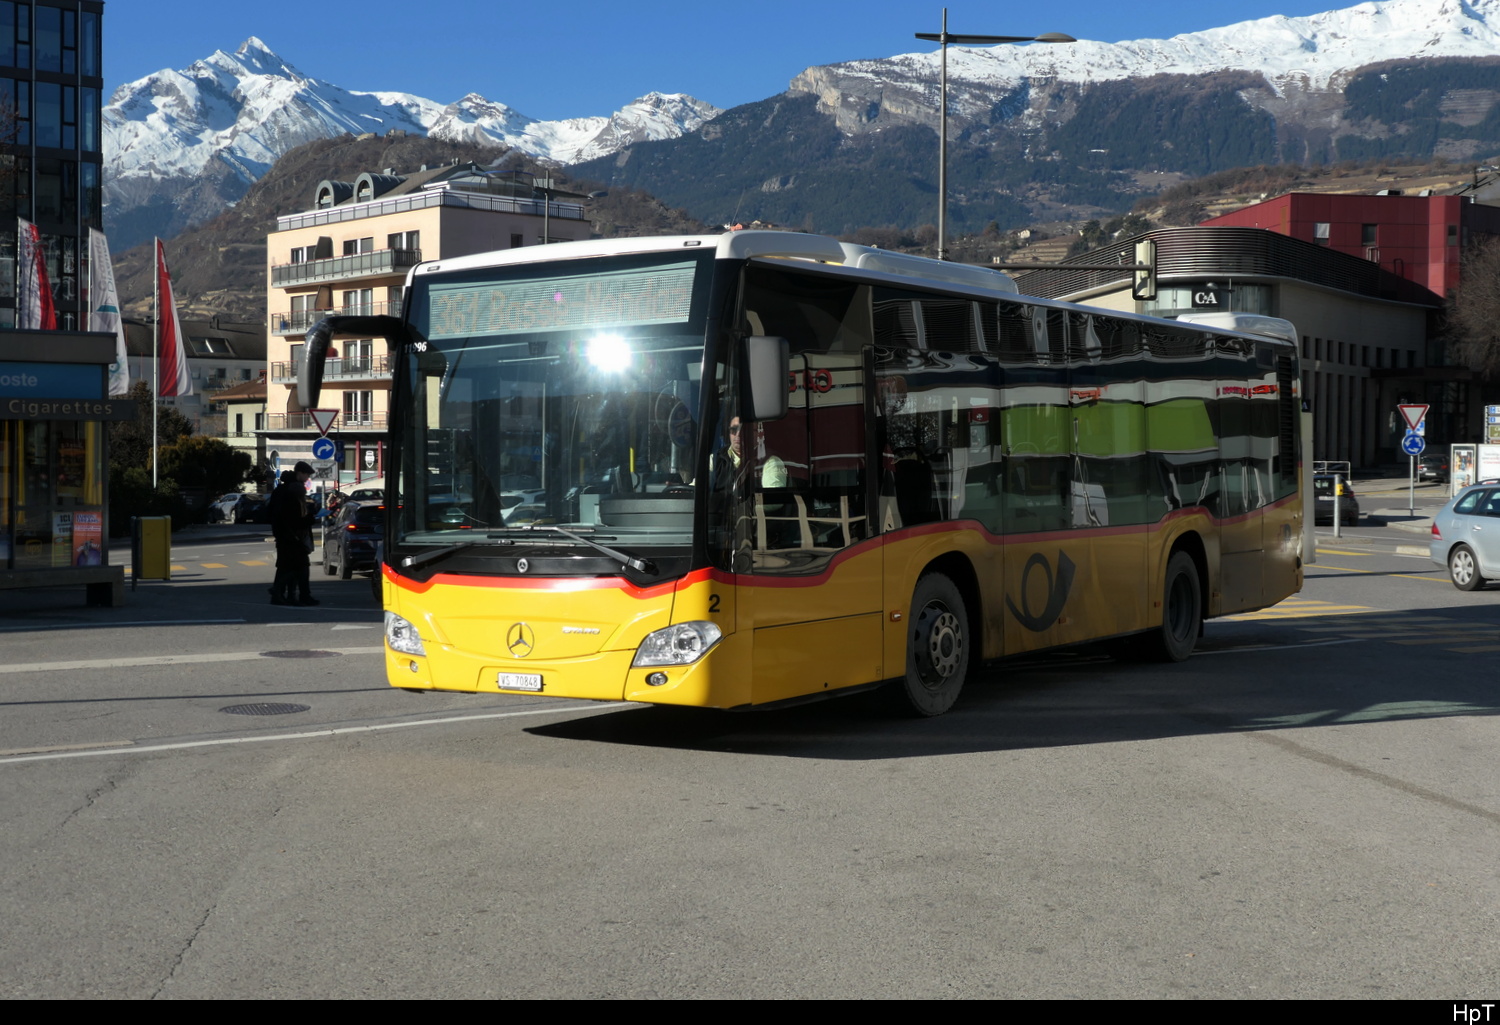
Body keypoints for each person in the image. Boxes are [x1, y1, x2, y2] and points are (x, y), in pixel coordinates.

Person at [267, 461, 319, 606]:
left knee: (286, 566)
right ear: (300, 473)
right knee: (300, 567)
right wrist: (309, 518)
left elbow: (272, 513)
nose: (308, 478)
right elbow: (293, 518)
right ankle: (282, 592)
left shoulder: (281, 489)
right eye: (307, 474)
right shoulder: (293, 491)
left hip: (283, 535)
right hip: (293, 536)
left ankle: (285, 596)